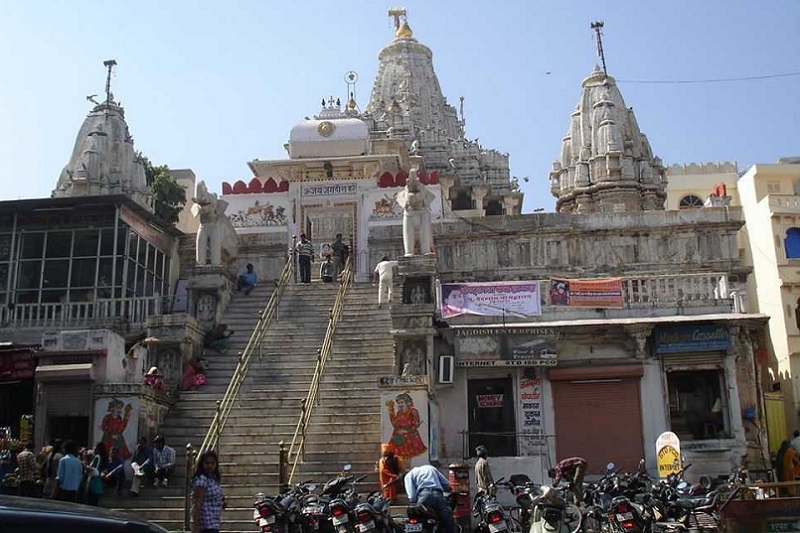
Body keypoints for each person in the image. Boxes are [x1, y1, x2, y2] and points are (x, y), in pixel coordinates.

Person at [404, 464, 454, 533]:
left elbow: (412, 495)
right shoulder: (430, 468)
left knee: (420, 518)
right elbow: (446, 484)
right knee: (446, 519)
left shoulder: (408, 476)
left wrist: (414, 503)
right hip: (437, 495)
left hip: (424, 496)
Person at [192, 450, 226, 533]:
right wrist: (195, 526)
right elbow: (197, 503)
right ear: (202, 464)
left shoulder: (213, 479)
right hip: (206, 524)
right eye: (207, 463)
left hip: (214, 522)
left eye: (212, 463)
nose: (210, 466)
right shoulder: (202, 480)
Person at [386, 393, 427, 460]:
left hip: (410, 436)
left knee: (408, 455)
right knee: (400, 456)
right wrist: (391, 411)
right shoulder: (399, 413)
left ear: (407, 402)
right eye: (398, 403)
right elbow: (395, 424)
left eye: (402, 402)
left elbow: (416, 423)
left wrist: (407, 431)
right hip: (399, 436)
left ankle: (408, 469)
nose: (400, 404)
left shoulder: (413, 411)